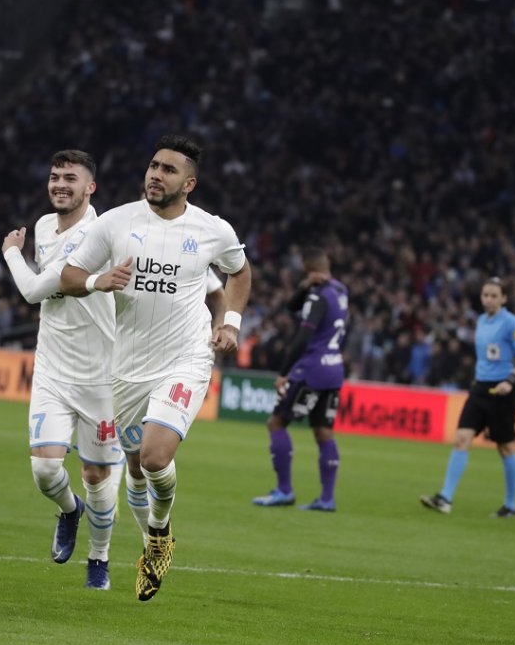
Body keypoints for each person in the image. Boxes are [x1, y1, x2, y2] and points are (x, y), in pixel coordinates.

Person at [60, 134, 252, 601]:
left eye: (167, 169)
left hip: (186, 357)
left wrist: (230, 323)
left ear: (189, 182)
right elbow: (69, 277)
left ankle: (159, 535)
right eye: (152, 165)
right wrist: (97, 280)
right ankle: (151, 526)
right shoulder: (115, 223)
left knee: (154, 456)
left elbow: (239, 272)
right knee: (136, 467)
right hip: (125, 366)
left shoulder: (212, 230)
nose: (154, 174)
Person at [1, 149, 123, 590]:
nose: (60, 185)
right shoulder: (44, 226)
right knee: (46, 471)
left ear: (90, 188)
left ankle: (100, 558)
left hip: (103, 378)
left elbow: (35, 289)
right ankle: (71, 511)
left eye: (70, 178)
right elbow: (50, 295)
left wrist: (11, 253)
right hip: (53, 368)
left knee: (97, 475)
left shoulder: (100, 233)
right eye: (55, 177)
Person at [421, 277, 515, 518]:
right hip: (480, 389)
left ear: (503, 299)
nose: (488, 299)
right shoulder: (481, 320)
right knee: (461, 438)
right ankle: (445, 498)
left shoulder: (510, 322)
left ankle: (511, 505)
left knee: (505, 447)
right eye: (485, 295)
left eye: (494, 296)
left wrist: (510, 381)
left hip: (503, 391)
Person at [252, 247, 349, 512]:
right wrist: (307, 286)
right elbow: (292, 304)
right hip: (334, 368)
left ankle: (284, 490)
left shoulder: (318, 297)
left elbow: (304, 336)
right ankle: (327, 499)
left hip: (312, 370)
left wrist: (284, 371)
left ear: (307, 269)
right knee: (323, 431)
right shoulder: (341, 291)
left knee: (276, 422)